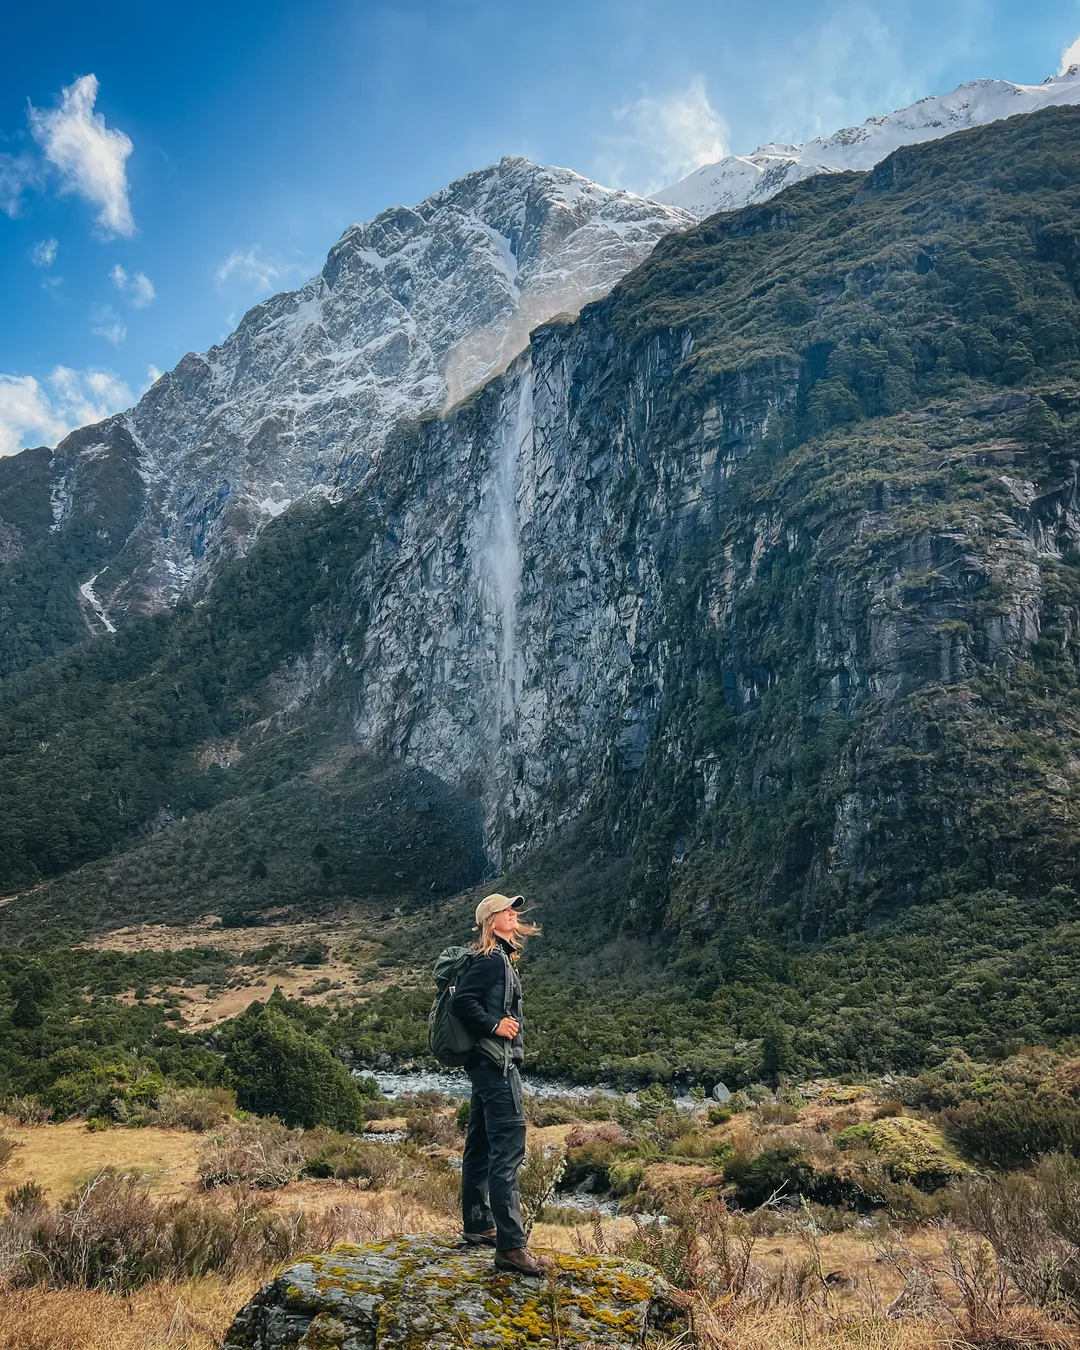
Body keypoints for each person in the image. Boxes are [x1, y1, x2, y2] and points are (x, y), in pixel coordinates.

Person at [449, 891, 549, 1275]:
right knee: (508, 1146)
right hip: (496, 1063)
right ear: (491, 921)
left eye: (513, 909)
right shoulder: (492, 960)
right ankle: (511, 1246)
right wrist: (494, 1025)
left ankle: (478, 1224)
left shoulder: (498, 958)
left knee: (480, 1143)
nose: (513, 913)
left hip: (484, 1065)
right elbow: (464, 1002)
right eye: (506, 910)